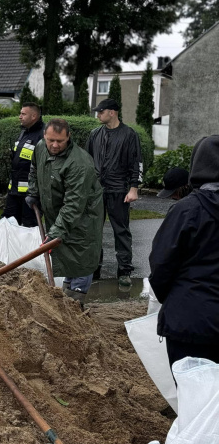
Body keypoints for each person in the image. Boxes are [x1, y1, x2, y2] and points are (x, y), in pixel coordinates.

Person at [149, 135, 219, 369]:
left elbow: (161, 264)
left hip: (189, 321)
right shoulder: (188, 209)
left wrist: (173, 299)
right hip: (193, 316)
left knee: (194, 397)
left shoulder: (186, 210)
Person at [27, 118, 104, 307]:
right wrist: (34, 192)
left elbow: (74, 205)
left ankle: (75, 303)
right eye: (50, 140)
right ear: (44, 135)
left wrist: (54, 233)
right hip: (59, 215)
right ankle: (67, 298)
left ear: (68, 137)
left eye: (60, 141)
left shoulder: (79, 163)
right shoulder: (40, 148)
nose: (54, 145)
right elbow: (34, 169)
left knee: (80, 258)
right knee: (66, 256)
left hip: (83, 219)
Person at [86, 98, 143, 289]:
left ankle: (124, 271)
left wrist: (133, 188)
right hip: (96, 191)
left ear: (112, 112)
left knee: (121, 232)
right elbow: (86, 162)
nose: (98, 115)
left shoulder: (129, 135)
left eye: (101, 112)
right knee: (93, 231)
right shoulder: (95, 134)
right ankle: (94, 269)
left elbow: (136, 163)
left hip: (119, 190)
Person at [1, 103, 44, 226]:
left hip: (30, 195)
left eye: (23, 114)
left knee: (28, 229)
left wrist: (35, 194)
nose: (20, 116)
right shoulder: (24, 132)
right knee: (7, 224)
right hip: (14, 193)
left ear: (34, 116)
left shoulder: (43, 135)